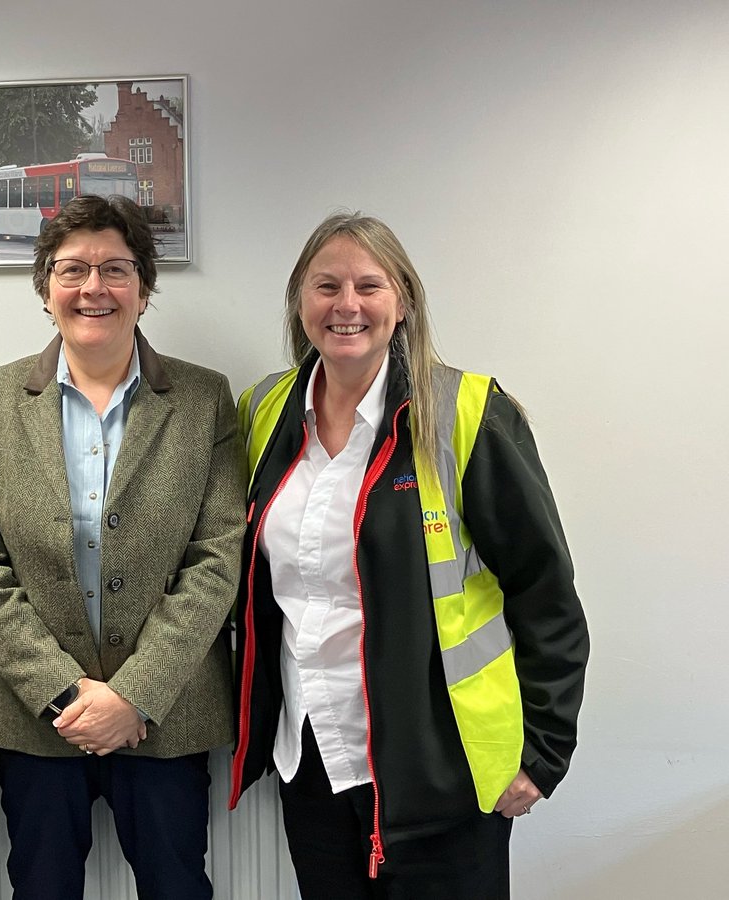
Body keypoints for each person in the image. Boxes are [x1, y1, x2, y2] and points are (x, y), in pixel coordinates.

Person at [229, 213, 589, 898]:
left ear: (404, 303)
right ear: (299, 301)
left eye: (370, 285)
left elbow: (546, 594)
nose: (346, 305)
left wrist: (544, 754)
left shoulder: (466, 413)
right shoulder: (264, 410)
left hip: (442, 773)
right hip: (312, 760)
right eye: (325, 285)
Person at [0, 195, 245, 900]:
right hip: (35, 718)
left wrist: (134, 696)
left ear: (144, 287)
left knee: (177, 888)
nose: (93, 288)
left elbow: (217, 557)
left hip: (165, 718)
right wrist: (65, 691)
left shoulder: (204, 400)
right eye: (72, 269)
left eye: (115, 268)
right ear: (46, 289)